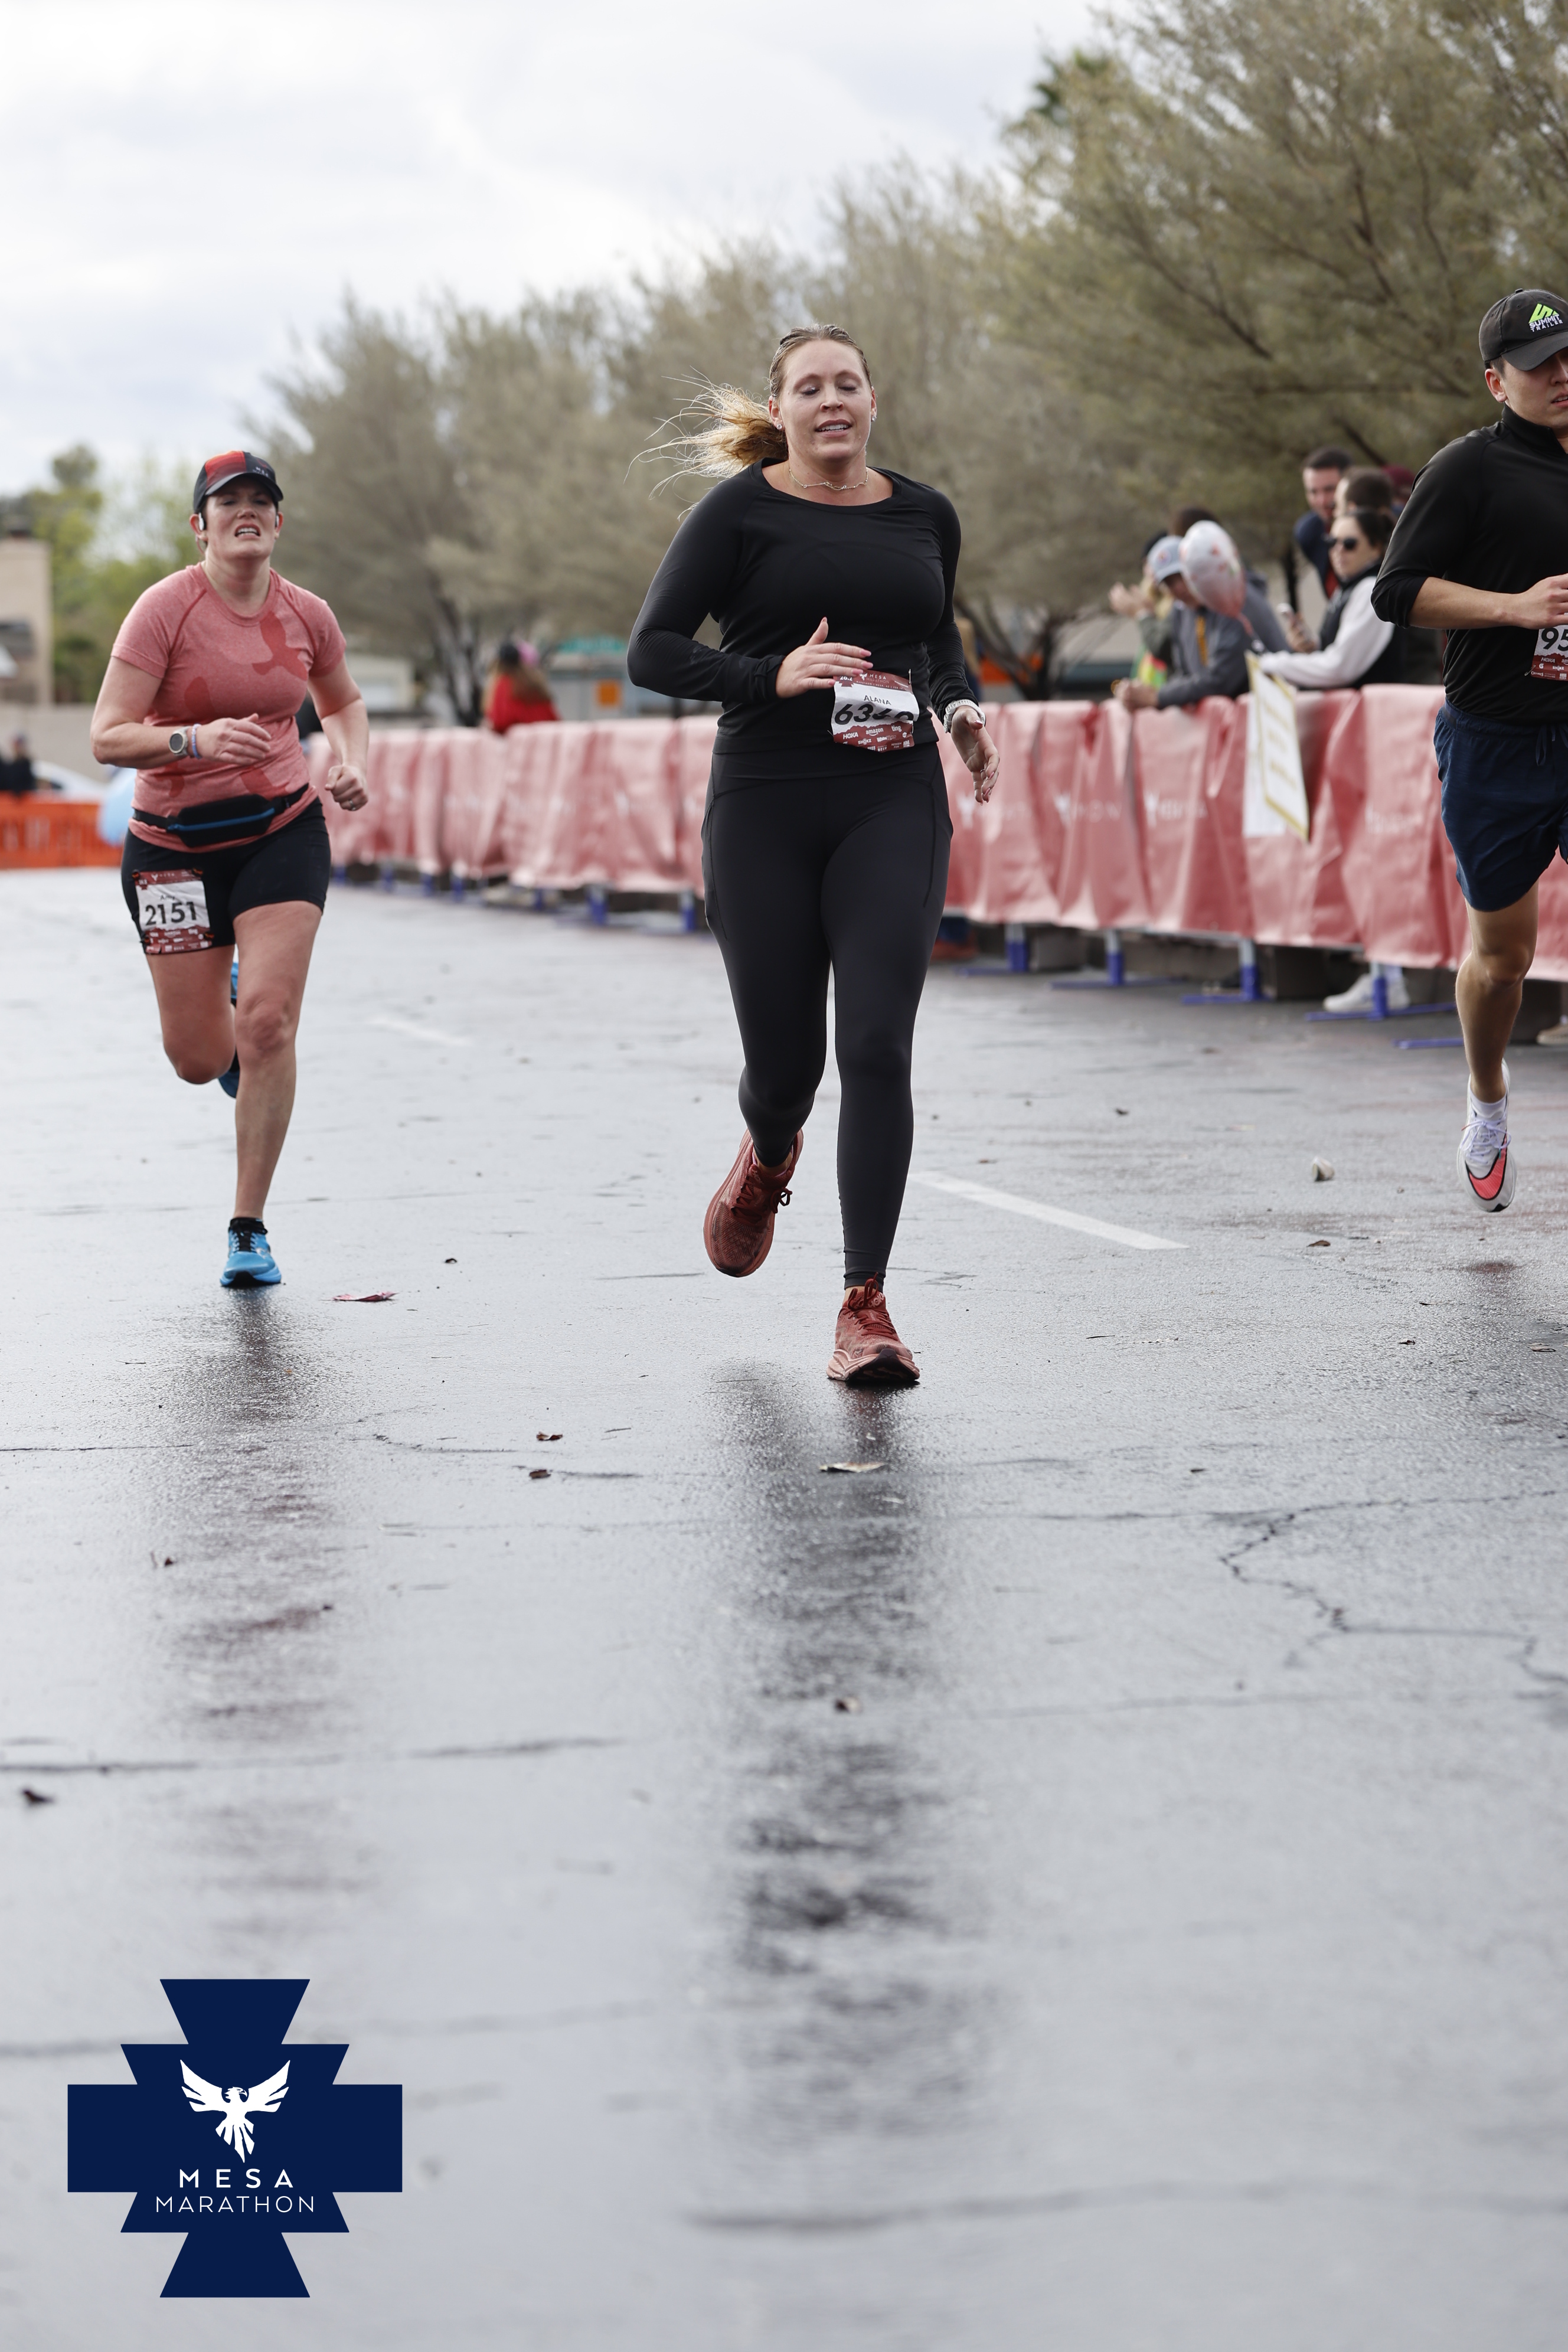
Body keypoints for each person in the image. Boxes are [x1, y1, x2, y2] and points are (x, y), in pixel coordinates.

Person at [626, 325, 998, 1385]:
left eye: (848, 384)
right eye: (809, 387)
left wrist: (959, 709)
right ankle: (768, 1151)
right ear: (779, 410)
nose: (831, 400)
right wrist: (770, 674)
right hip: (766, 802)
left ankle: (864, 1304)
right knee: (787, 1070)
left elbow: (934, 638)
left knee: (876, 1042)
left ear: (874, 402)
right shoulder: (737, 512)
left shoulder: (925, 514)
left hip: (891, 797)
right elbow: (652, 651)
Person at [90, 450, 369, 1287]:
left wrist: (350, 760)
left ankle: (248, 1229)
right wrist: (195, 739)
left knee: (270, 1025)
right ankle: (230, 1005)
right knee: (200, 1058)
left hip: (280, 830)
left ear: (279, 522)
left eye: (260, 500)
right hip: (171, 849)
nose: (246, 511)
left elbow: (342, 700)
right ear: (200, 525)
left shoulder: (307, 614)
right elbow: (107, 736)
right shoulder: (163, 610)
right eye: (228, 501)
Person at [1372, 286, 1568, 1213]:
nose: (1560, 376)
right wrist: (1514, 608)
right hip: (1498, 741)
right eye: (1538, 367)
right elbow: (1395, 591)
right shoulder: (1469, 470)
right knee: (1502, 961)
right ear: (1497, 382)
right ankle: (1487, 1103)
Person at [1113, 528, 1287, 711]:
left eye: (1181, 575)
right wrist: (1147, 694)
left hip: (1275, 714)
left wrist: (1158, 696)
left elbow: (1221, 679)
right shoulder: (1181, 612)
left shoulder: (1233, 597)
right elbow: (1185, 674)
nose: (1179, 588)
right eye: (1169, 582)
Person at [1291, 445, 1354, 599]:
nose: (1322, 501)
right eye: (1313, 492)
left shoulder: (1388, 524)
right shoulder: (1308, 533)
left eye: (1330, 489)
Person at [485, 640, 557, 730]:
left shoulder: (503, 684)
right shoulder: (534, 683)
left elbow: (500, 721)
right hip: (546, 734)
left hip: (527, 737)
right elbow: (553, 719)